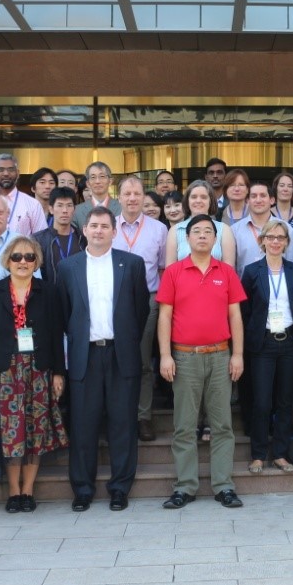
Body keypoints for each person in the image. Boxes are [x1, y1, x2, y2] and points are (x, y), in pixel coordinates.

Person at [56, 207, 150, 512]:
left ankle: (120, 488)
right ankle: (82, 489)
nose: (98, 231)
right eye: (93, 226)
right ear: (84, 230)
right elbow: (64, 313)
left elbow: (140, 311)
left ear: (113, 231)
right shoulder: (68, 267)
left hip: (121, 353)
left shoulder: (132, 264)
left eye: (104, 226)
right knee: (83, 424)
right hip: (85, 356)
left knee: (123, 423)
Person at [157, 213, 247, 509]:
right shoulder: (173, 272)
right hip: (184, 357)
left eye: (209, 231)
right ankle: (185, 486)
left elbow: (235, 315)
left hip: (220, 355)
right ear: (187, 237)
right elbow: (165, 316)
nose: (203, 236)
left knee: (222, 425)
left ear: (215, 238)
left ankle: (224, 486)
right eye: (197, 231)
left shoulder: (227, 272)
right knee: (184, 426)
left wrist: (237, 354)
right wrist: (166, 355)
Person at [0, 236, 68, 513]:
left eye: (29, 257)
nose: (23, 262)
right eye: (17, 257)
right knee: (10, 432)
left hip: (39, 369)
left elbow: (56, 334)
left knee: (35, 431)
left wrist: (58, 373)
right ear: (8, 260)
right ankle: (13, 492)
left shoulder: (47, 291)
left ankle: (28, 491)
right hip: (6, 371)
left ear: (36, 262)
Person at [239, 219, 293, 474]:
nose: (276, 241)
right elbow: (245, 311)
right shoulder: (252, 271)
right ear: (262, 240)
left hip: (290, 342)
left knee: (285, 401)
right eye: (271, 237)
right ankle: (258, 454)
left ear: (287, 243)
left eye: (281, 237)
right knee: (262, 402)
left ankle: (279, 453)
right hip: (263, 344)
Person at [112, 176, 169, 443]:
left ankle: (143, 416)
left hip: (147, 299)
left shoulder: (158, 229)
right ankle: (119, 416)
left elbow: (162, 268)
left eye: (137, 193)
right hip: (112, 301)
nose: (132, 198)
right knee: (115, 360)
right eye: (127, 193)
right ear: (119, 197)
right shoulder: (107, 225)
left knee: (144, 361)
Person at [233, 181, 293, 272]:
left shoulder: (286, 228)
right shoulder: (235, 230)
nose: (258, 200)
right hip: (244, 285)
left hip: (279, 284)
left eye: (263, 195)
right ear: (247, 201)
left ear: (272, 200)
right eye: (253, 196)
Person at [165, 180, 237, 266]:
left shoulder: (224, 230)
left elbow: (229, 270)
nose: (198, 201)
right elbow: (169, 270)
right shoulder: (175, 231)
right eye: (194, 197)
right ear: (187, 201)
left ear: (211, 201)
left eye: (203, 197)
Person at [34, 186, 84, 286]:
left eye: (69, 205)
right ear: (51, 209)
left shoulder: (83, 238)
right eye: (60, 205)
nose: (65, 210)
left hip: (76, 296)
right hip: (50, 296)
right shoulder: (38, 240)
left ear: (74, 209)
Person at [0, 153, 46, 236]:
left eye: (11, 169)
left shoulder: (33, 204)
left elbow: (42, 239)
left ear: (18, 173)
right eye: (1, 170)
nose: (6, 173)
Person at [73, 161, 121, 229]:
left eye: (102, 176)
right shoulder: (77, 211)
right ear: (88, 184)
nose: (97, 181)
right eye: (93, 177)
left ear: (110, 181)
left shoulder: (121, 208)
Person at [271, 171, 293, 238]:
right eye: (282, 185)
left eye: (290, 186)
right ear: (276, 188)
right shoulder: (266, 214)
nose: (285, 189)